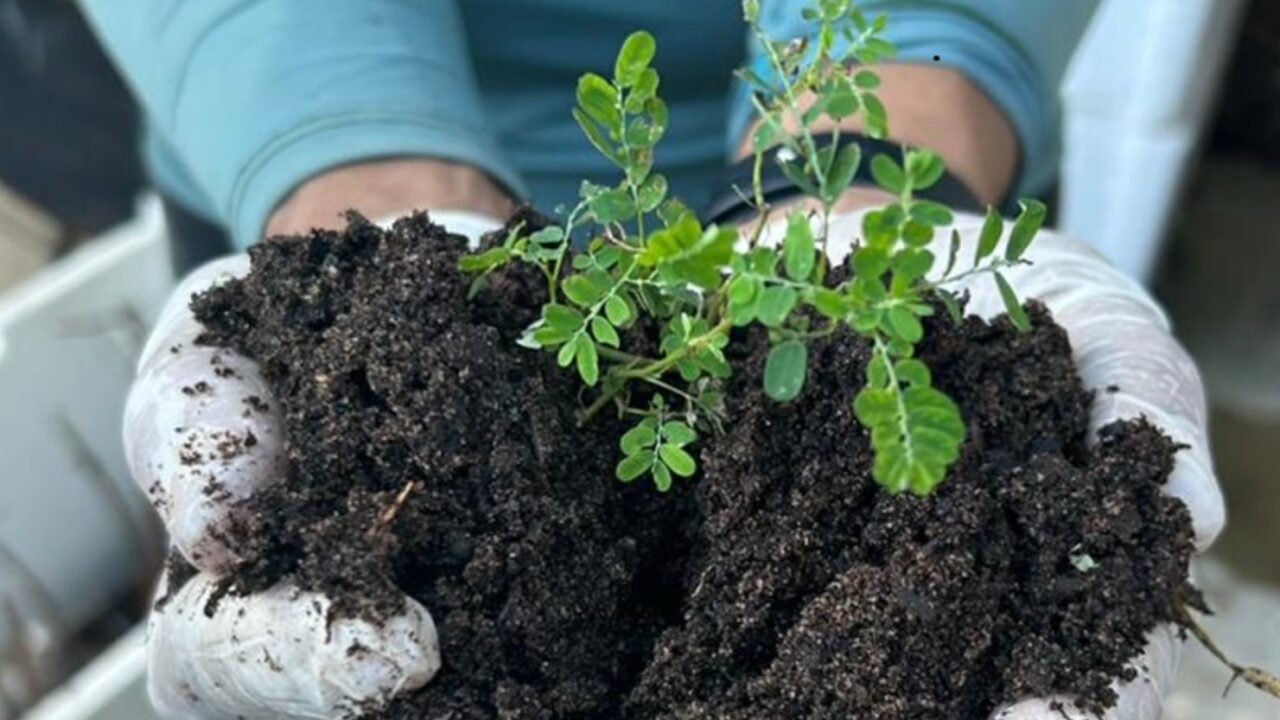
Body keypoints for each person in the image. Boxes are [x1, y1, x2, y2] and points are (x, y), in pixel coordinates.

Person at [81, 1, 1224, 718]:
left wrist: (874, 155)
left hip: (867, 161)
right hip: (292, 124)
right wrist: (359, 218)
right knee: (278, 568)